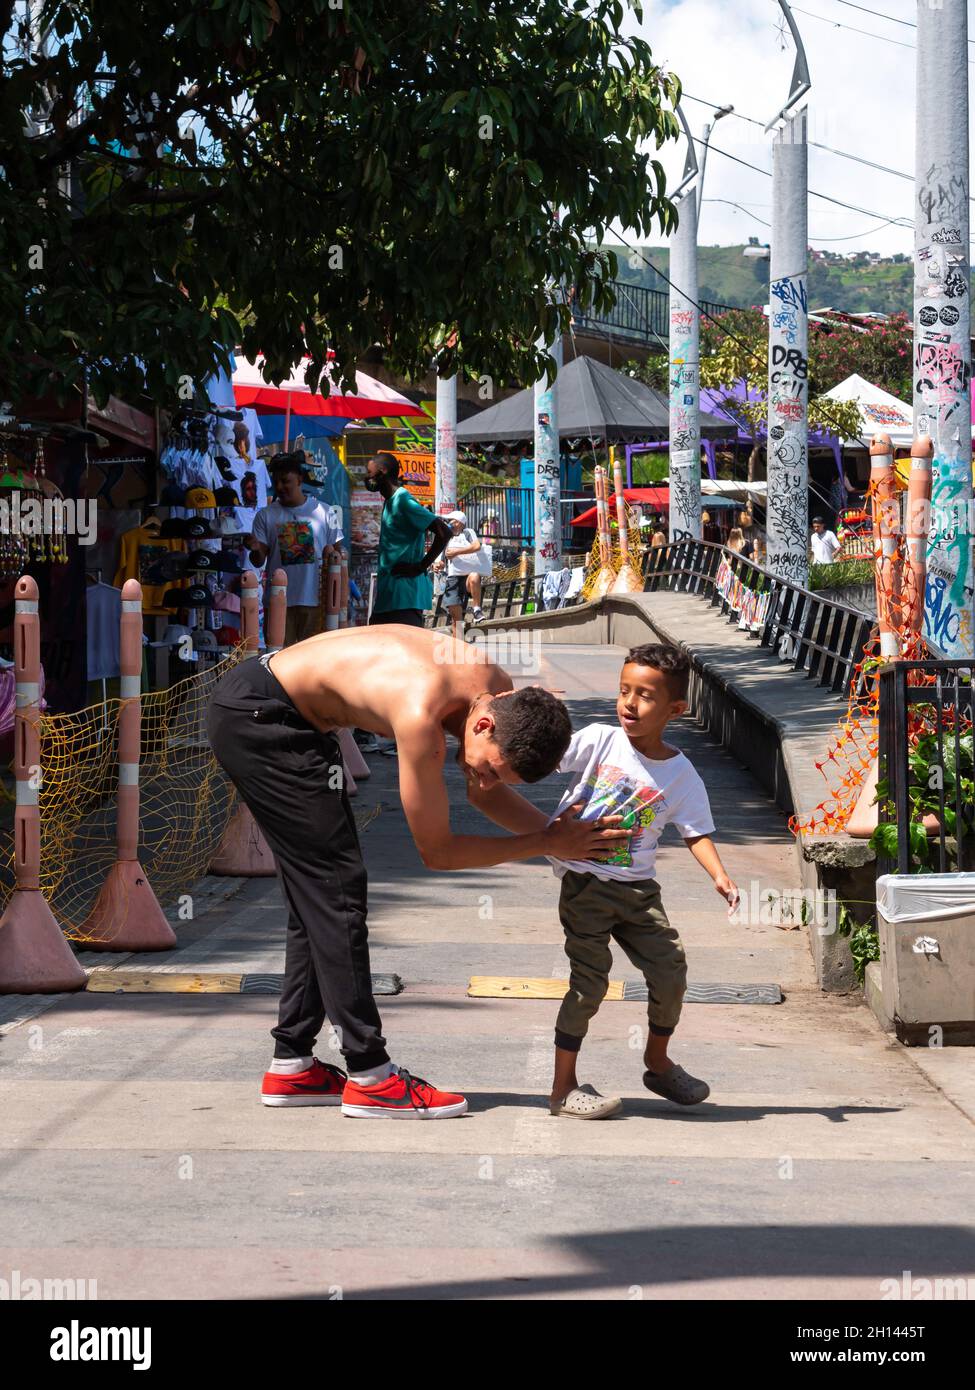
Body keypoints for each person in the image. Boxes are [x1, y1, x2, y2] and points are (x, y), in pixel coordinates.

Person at [207, 625, 632, 1119]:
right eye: (490, 769)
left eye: (498, 776)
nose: (484, 782)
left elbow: (485, 794)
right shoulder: (420, 717)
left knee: (320, 895)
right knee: (336, 895)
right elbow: (438, 852)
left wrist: (563, 845)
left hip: (282, 711)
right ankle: (370, 1076)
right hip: (260, 722)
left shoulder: (498, 693)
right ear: (483, 725)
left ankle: (293, 1066)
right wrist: (546, 842)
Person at [470, 643, 738, 1119]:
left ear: (676, 709)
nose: (629, 704)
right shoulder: (599, 740)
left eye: (645, 696)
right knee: (588, 986)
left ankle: (657, 1063)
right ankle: (562, 1089)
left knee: (671, 970)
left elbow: (695, 831)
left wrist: (720, 875)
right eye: (623, 691)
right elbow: (544, 753)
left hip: (639, 892)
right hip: (587, 886)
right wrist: (513, 737)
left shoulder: (681, 774)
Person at [246, 452, 343, 646]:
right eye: (276, 482)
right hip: (279, 603)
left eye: (285, 481)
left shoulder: (326, 511)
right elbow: (258, 561)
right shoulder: (264, 516)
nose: (280, 487)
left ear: (299, 479)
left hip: (317, 602)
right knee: (281, 661)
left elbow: (338, 556)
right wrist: (255, 549)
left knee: (314, 662)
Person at [367, 452, 451, 626]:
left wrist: (420, 566)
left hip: (404, 598)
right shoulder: (390, 501)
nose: (367, 478)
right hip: (388, 597)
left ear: (383, 471)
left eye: (370, 473)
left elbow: (444, 532)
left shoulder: (403, 501)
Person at [434, 510, 485, 628]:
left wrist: (457, 552)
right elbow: (443, 560)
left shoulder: (468, 532)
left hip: (466, 577)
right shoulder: (447, 537)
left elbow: (476, 546)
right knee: (457, 620)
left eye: (450, 520)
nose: (448, 523)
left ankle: (477, 610)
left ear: (459, 522)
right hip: (452, 579)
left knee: (475, 576)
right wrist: (438, 565)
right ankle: (459, 640)